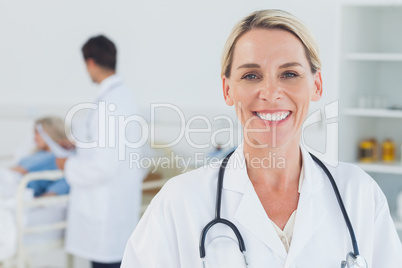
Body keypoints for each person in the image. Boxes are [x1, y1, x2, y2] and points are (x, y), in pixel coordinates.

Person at [121, 10, 402, 267]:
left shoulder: (360, 195)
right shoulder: (180, 202)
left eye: (289, 74)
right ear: (228, 89)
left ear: (316, 85)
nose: (270, 92)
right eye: (252, 75)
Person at [56, 35, 147, 268]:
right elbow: (110, 146)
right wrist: (80, 143)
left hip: (105, 213)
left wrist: (67, 165)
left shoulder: (109, 104)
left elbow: (104, 166)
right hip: (115, 209)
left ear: (90, 63)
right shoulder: (122, 96)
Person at [11, 116, 70, 197]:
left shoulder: (56, 158)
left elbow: (20, 170)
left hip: (19, 190)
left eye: (37, 132)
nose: (34, 137)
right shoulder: (37, 153)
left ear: (51, 131)